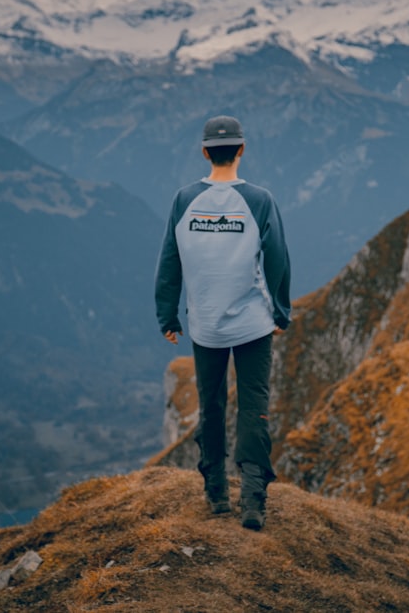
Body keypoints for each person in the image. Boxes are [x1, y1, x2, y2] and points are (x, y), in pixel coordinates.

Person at [155, 115, 291, 531]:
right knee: (253, 406)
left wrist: (167, 314)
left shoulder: (183, 200)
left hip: (206, 325)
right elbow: (278, 260)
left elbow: (169, 260)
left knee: (211, 407)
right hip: (252, 324)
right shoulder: (260, 200)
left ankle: (215, 493)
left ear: (204, 152)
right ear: (242, 150)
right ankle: (252, 501)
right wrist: (281, 312)